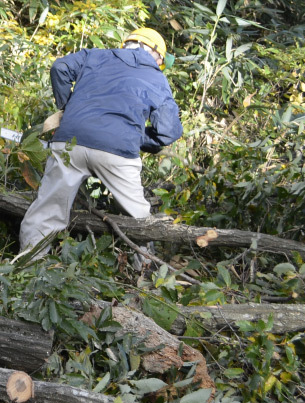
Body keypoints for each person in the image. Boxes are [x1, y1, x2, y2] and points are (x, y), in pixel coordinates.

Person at [18, 28, 183, 261]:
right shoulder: (157, 77)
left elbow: (60, 68)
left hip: (70, 142)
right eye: (161, 60)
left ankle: (27, 266)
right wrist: (136, 137)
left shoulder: (94, 55)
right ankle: (147, 277)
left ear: (127, 43)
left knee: (47, 211)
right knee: (140, 219)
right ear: (155, 53)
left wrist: (68, 109)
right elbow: (168, 132)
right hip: (118, 154)